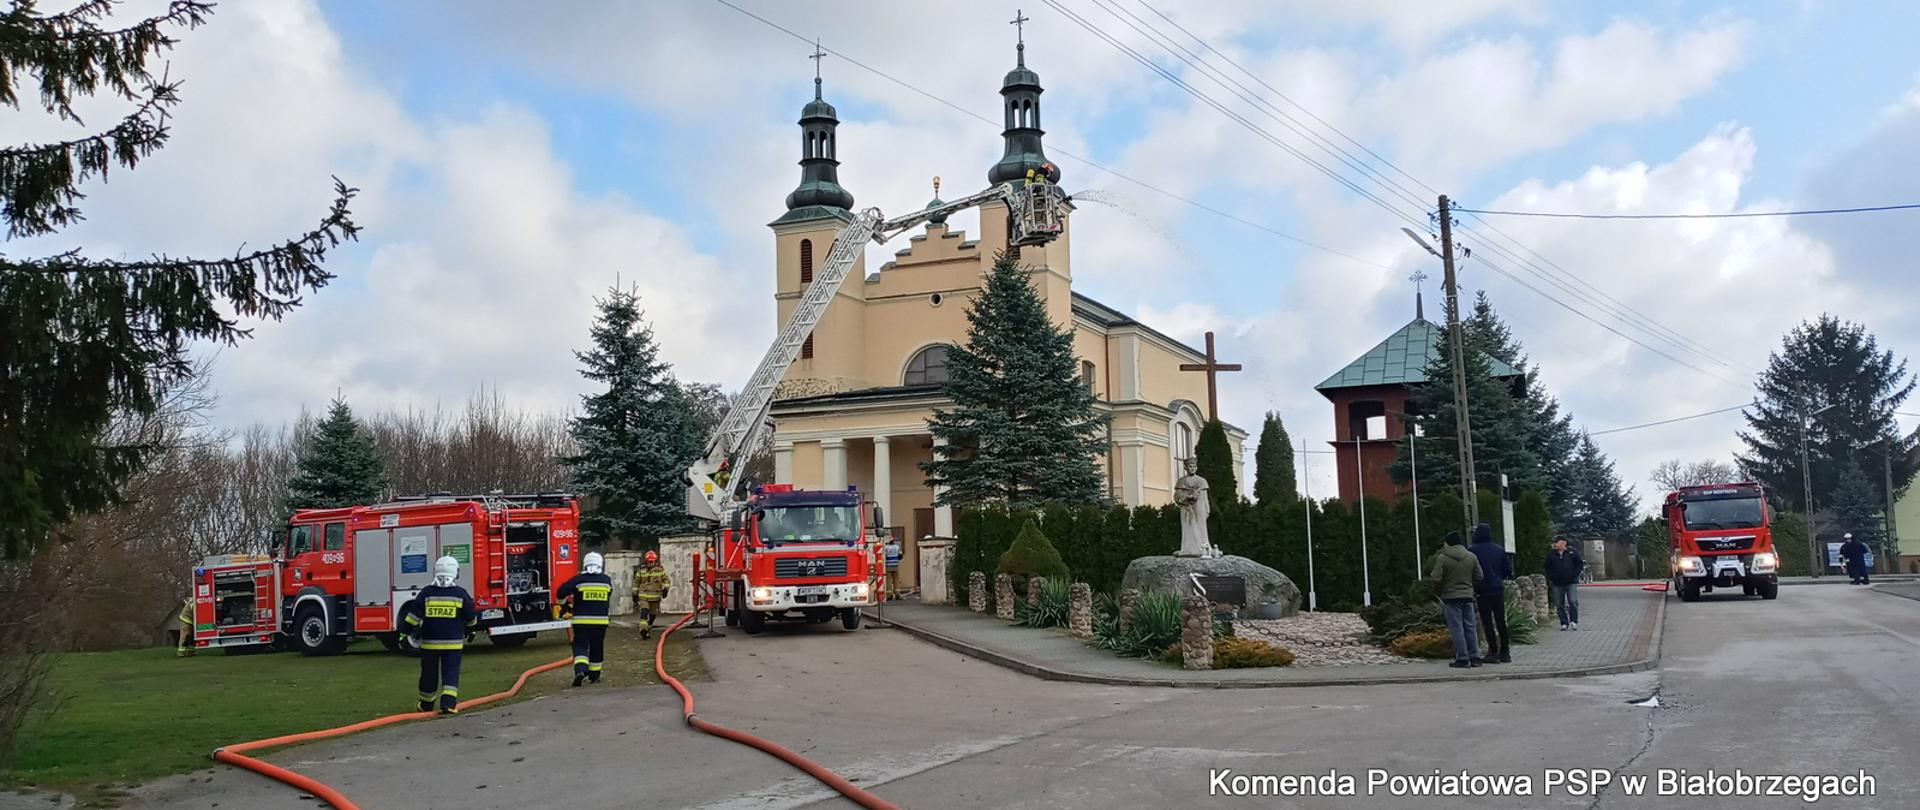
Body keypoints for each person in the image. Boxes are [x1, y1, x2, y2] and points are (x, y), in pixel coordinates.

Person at [399, 556, 476, 715]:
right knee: (450, 673)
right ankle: (448, 704)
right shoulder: (460, 594)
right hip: (453, 645)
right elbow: (471, 617)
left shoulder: (426, 593)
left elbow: (413, 617)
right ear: (455, 572)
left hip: (429, 645)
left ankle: (426, 705)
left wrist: (404, 632)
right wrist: (471, 630)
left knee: (428, 674)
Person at [556, 552, 613, 687]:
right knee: (597, 647)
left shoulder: (579, 580)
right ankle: (595, 675)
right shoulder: (606, 580)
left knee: (580, 646)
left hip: (581, 622)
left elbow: (561, 591)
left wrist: (563, 603)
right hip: (601, 622)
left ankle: (581, 670)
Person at [1429, 531, 1483, 669]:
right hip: (1468, 596)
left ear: (1448, 543)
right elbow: (1479, 576)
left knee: (1456, 628)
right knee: (1470, 627)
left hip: (1450, 597)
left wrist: (1440, 590)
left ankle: (1462, 658)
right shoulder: (1471, 557)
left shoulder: (1442, 558)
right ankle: (1475, 657)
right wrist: (1470, 587)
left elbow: (1435, 578)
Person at [1466, 523, 1511, 663]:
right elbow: (1507, 570)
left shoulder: (1472, 550)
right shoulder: (1499, 550)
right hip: (1497, 587)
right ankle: (1505, 652)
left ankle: (1492, 651)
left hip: (1482, 589)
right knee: (1500, 620)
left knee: (1487, 621)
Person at [1544, 537, 1585, 630]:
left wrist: (1575, 575)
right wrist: (1552, 576)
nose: (1556, 545)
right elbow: (1547, 566)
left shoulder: (1572, 553)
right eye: (1555, 543)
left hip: (1571, 582)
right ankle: (1564, 622)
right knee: (1559, 604)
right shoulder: (1552, 554)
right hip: (1557, 583)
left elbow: (1579, 564)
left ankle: (1574, 621)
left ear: (1564, 543)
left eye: (1558, 543)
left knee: (1572, 601)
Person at [633, 550, 671, 638]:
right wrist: (634, 594)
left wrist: (666, 589)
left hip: (655, 597)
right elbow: (636, 583)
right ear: (646, 561)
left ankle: (648, 627)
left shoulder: (660, 570)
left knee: (652, 615)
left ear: (655, 561)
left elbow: (666, 580)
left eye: (652, 562)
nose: (650, 563)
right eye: (649, 562)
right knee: (644, 611)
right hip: (644, 596)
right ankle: (643, 629)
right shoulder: (641, 570)